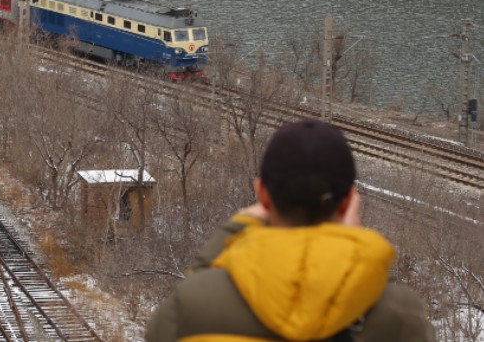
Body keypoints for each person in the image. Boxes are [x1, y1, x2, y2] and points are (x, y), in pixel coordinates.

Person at [145, 119, 434, 341]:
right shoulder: (401, 317)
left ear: (262, 195)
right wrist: (352, 250)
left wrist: (230, 232)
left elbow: (189, 302)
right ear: (349, 203)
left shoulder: (190, 308)